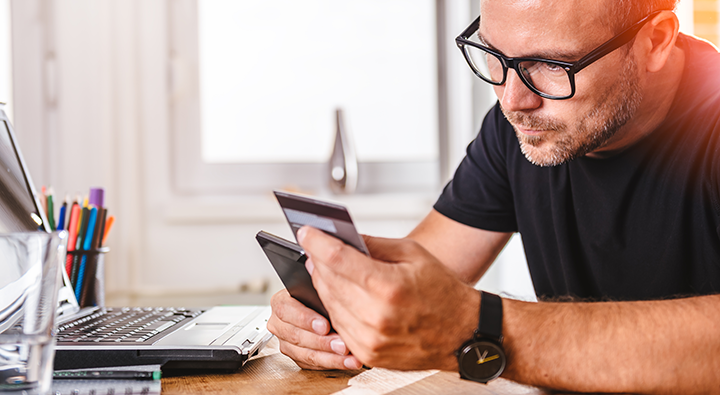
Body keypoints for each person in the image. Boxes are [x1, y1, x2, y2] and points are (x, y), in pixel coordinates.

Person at [267, 0, 720, 392]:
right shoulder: (520, 129)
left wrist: (483, 328)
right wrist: (339, 316)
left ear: (656, 40)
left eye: (552, 65)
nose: (512, 99)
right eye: (494, 56)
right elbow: (422, 285)